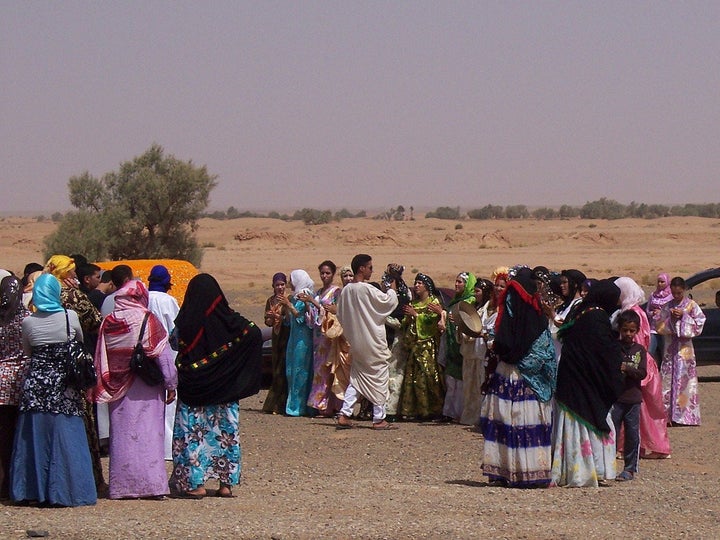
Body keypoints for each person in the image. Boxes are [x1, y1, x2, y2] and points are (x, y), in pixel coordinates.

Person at [170, 273, 262, 498]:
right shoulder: (232, 322)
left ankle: (196, 485)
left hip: (194, 391)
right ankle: (225, 485)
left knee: (194, 436)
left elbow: (174, 344)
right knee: (224, 435)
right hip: (225, 392)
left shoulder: (185, 324)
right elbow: (255, 333)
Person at [10, 273, 96, 507]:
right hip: (64, 385)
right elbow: (78, 340)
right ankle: (69, 490)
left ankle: (33, 490)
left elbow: (28, 352)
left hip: (37, 384)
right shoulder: (70, 316)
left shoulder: (28, 321)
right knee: (66, 436)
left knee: (35, 436)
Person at [92, 279, 177, 499]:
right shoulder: (149, 320)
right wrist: (171, 384)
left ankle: (122, 487)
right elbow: (163, 355)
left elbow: (101, 354)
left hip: (117, 387)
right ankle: (152, 486)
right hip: (146, 387)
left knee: (122, 436)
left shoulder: (108, 321)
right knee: (149, 435)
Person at [479, 267, 557, 488]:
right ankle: (529, 472)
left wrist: (497, 347)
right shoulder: (540, 324)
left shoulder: (509, 329)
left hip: (508, 374)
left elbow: (505, 342)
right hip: (531, 382)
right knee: (524, 422)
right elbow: (546, 356)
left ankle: (504, 472)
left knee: (505, 420)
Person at [551, 279, 624, 487]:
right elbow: (604, 352)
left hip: (571, 379)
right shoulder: (597, 317)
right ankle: (588, 472)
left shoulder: (582, 312)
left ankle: (573, 471)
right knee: (592, 420)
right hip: (586, 383)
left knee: (573, 425)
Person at [45, 254, 106, 494]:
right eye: (71, 273)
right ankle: (91, 478)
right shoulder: (71, 296)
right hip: (74, 365)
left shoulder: (39, 295)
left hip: (44, 369)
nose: (74, 277)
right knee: (85, 421)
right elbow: (95, 321)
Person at [336, 254, 399, 430]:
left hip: (356, 343)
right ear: (362, 269)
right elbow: (387, 303)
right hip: (372, 342)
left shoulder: (347, 290)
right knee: (379, 376)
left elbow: (340, 314)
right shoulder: (367, 289)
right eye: (370, 267)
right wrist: (392, 288)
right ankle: (379, 418)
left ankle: (345, 413)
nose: (372, 270)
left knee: (357, 379)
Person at [613, 276, 671, 459]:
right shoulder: (635, 310)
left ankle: (653, 447)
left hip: (639, 365)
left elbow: (637, 344)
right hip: (644, 364)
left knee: (644, 410)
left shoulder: (633, 314)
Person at [656, 276, 705, 426]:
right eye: (674, 293)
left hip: (685, 351)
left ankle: (684, 416)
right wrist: (670, 319)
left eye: (679, 293)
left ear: (684, 290)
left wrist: (684, 317)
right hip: (670, 349)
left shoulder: (692, 305)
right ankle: (667, 415)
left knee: (685, 381)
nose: (676, 296)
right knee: (667, 381)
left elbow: (699, 324)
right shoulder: (667, 306)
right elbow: (658, 325)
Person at [398, 273, 446, 421]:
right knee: (414, 379)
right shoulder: (413, 304)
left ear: (427, 286)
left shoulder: (433, 302)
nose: (416, 286)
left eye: (419, 283)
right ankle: (417, 410)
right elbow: (405, 323)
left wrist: (416, 316)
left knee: (429, 378)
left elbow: (432, 321)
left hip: (429, 347)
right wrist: (410, 317)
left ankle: (433, 410)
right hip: (415, 346)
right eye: (415, 283)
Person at [146, 264, 181, 461]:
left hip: (146, 355)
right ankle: (167, 448)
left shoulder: (143, 298)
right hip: (168, 353)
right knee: (170, 400)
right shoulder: (169, 301)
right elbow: (175, 329)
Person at [0, 275, 30, 499]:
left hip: (1, 383)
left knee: (4, 436)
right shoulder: (27, 319)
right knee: (22, 436)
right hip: (21, 382)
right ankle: (19, 484)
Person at [611, 310, 648, 482]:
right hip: (616, 398)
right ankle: (609, 466)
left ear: (637, 330)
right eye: (625, 330)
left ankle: (630, 468)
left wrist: (627, 369)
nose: (628, 334)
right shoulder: (614, 347)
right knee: (613, 434)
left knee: (632, 434)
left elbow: (642, 373)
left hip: (633, 399)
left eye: (631, 330)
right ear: (619, 329)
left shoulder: (639, 350)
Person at [304, 260, 343, 416]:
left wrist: (313, 302)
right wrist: (309, 305)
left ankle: (335, 406)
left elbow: (338, 312)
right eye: (322, 273)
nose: (324, 276)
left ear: (333, 274)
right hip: (318, 337)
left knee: (331, 371)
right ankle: (322, 406)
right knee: (320, 371)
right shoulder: (318, 292)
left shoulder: (336, 292)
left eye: (327, 273)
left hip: (330, 337)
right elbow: (313, 317)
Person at [440, 272, 476, 423]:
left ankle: (460, 412)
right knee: (451, 380)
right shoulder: (455, 301)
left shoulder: (469, 301)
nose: (456, 285)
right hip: (451, 344)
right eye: (456, 282)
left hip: (463, 344)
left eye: (460, 282)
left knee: (461, 381)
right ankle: (449, 412)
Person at [458, 278, 493, 426]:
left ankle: (481, 417)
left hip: (480, 352)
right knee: (468, 386)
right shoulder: (473, 307)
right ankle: (469, 416)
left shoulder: (488, 309)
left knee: (480, 385)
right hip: (469, 352)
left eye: (478, 291)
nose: (475, 294)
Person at [281, 269, 315, 417]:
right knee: (291, 371)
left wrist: (289, 305)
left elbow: (302, 319)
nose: (289, 283)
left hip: (303, 340)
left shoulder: (305, 296)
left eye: (291, 279)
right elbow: (289, 322)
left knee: (301, 371)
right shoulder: (295, 297)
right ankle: (293, 405)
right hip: (294, 339)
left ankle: (299, 407)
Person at [262, 272, 290, 415]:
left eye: (282, 285)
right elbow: (267, 321)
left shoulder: (288, 299)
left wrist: (280, 316)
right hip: (276, 337)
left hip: (286, 337)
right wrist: (271, 318)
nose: (280, 287)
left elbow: (289, 319)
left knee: (282, 369)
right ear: (273, 286)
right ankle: (274, 405)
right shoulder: (270, 301)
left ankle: (280, 405)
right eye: (277, 285)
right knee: (276, 368)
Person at [646, 272, 672, 363]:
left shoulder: (671, 296)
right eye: (659, 282)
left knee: (665, 353)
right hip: (653, 328)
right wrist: (652, 313)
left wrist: (662, 313)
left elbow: (671, 311)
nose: (660, 284)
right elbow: (647, 310)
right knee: (650, 352)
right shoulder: (653, 295)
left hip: (665, 329)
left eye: (662, 282)